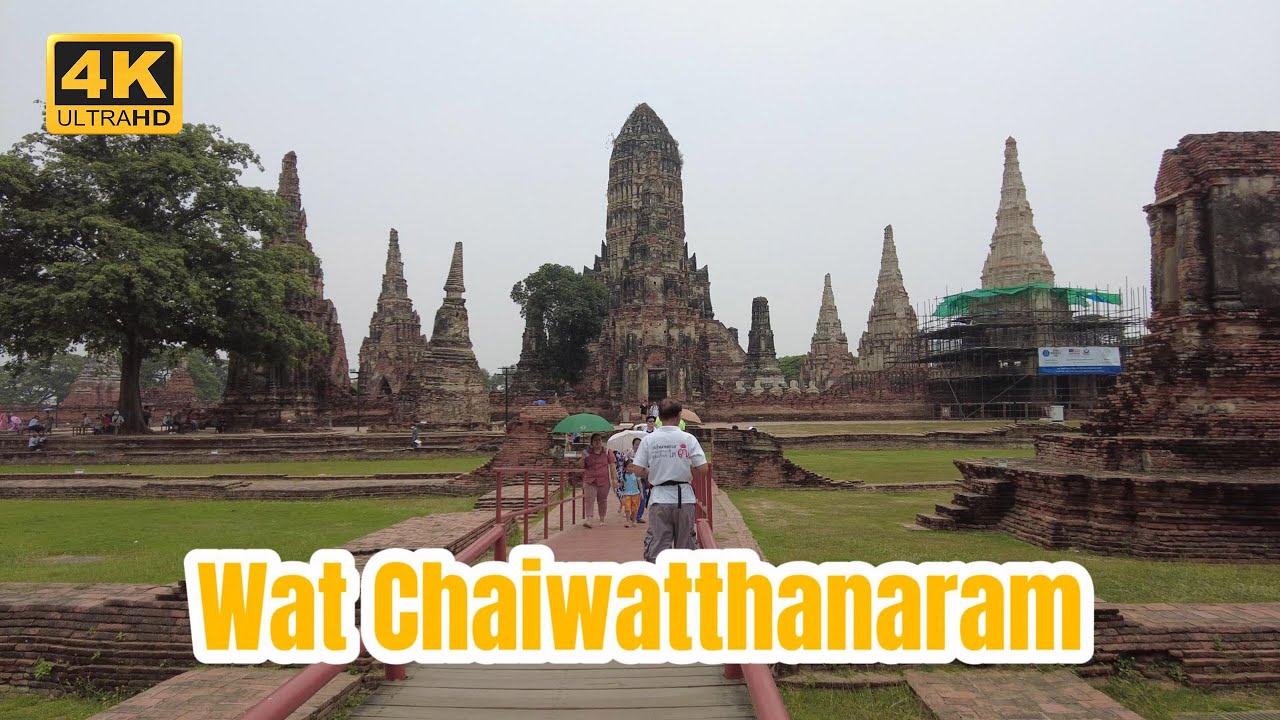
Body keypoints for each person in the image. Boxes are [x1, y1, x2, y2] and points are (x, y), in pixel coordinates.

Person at [631, 397, 709, 562]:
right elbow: (703, 468)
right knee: (686, 548)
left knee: (658, 548)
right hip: (684, 497)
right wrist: (683, 468)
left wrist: (653, 473)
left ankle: (660, 582)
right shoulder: (688, 438)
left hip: (659, 497)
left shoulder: (649, 440)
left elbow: (637, 470)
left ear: (659, 416)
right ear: (679, 415)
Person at [580, 433, 616, 528]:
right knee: (589, 500)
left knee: (602, 500)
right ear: (591, 442)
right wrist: (583, 457)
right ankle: (589, 520)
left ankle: (602, 519)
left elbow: (612, 465)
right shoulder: (587, 452)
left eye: (599, 440)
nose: (597, 442)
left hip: (603, 480)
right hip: (590, 480)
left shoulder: (607, 452)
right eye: (595, 440)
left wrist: (614, 479)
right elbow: (580, 465)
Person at [617, 459, 643, 528]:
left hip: (636, 494)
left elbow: (639, 484)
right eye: (629, 466)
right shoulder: (624, 475)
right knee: (627, 508)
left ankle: (634, 521)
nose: (631, 468)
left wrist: (641, 492)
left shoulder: (636, 475)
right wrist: (617, 485)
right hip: (627, 494)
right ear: (625, 468)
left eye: (632, 466)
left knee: (635, 509)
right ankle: (628, 521)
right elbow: (622, 484)